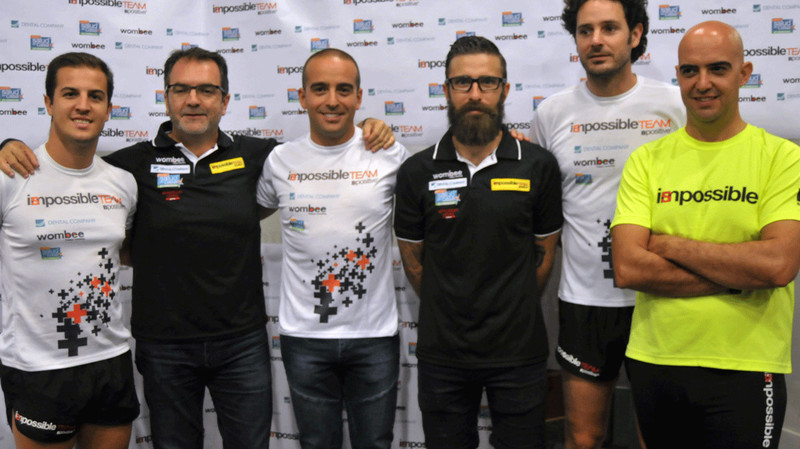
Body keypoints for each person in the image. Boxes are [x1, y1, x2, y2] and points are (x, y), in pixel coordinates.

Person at [0, 47, 395, 449]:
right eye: (181, 89)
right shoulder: (125, 168)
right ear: (166, 97)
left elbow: (324, 152)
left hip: (241, 344)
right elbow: (108, 228)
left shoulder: (260, 156)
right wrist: (8, 144)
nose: (193, 100)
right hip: (163, 348)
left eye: (206, 90)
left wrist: (369, 127)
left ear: (225, 101)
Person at [611, 21, 800, 449]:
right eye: (689, 71)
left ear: (744, 73)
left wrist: (669, 245)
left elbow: (777, 266)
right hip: (656, 361)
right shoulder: (646, 161)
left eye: (717, 68)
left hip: (747, 366)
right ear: (678, 76)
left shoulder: (783, 158)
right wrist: (739, 277)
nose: (702, 83)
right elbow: (629, 267)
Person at [394, 36, 563, 449]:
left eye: (487, 82)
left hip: (519, 353)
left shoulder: (538, 165)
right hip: (443, 354)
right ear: (446, 90)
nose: (475, 94)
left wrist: (513, 304)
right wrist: (451, 307)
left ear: (504, 89)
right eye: (462, 83)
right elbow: (413, 260)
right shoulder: (416, 170)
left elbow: (544, 255)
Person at [529, 1, 684, 447]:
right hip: (585, 302)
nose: (596, 40)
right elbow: (540, 205)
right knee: (582, 438)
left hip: (659, 299)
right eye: (585, 31)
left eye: (609, 28)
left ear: (635, 35)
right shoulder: (551, 114)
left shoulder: (675, 105)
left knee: (659, 437)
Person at [257, 48, 407, 449]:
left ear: (359, 97)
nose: (332, 100)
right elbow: (243, 213)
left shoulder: (390, 153)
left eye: (344, 89)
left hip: (374, 336)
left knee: (375, 443)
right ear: (302, 97)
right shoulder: (279, 161)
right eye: (320, 89)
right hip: (304, 337)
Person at [0, 52, 138, 449]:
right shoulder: (11, 177)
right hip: (39, 368)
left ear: (109, 109)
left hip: (110, 360)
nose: (83, 105)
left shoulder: (123, 183)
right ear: (48, 103)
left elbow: (125, 252)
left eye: (95, 96)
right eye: (70, 93)